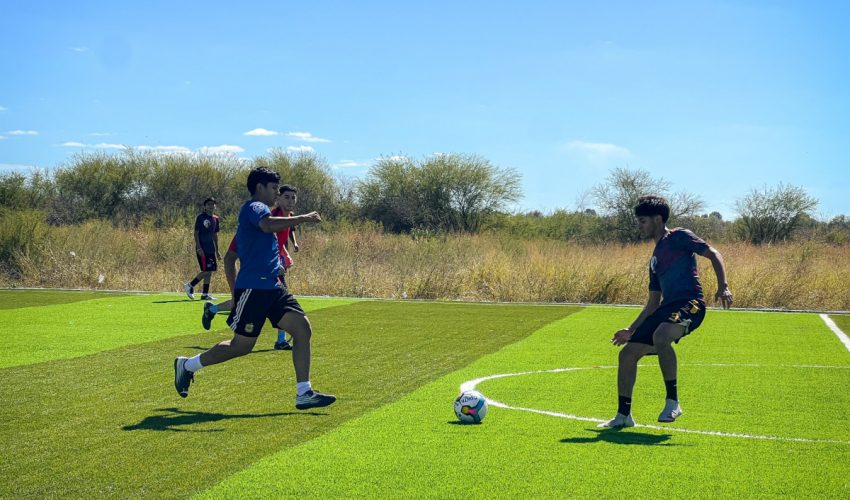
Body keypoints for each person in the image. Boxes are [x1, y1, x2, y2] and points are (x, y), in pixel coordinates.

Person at [174, 167, 336, 410]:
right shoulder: (255, 208)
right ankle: (187, 365)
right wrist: (302, 218)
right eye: (274, 188)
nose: (276, 193)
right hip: (255, 288)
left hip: (274, 288)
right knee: (241, 346)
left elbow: (232, 256)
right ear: (260, 187)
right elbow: (266, 227)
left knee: (302, 328)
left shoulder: (255, 221)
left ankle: (304, 392)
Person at [599, 195, 733, 428]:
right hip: (667, 309)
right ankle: (623, 416)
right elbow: (653, 303)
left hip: (691, 303)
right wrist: (631, 330)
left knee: (661, 335)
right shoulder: (654, 259)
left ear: (658, 220)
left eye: (642, 221)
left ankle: (673, 402)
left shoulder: (679, 236)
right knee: (628, 354)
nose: (639, 226)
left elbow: (713, 253)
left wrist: (723, 286)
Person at [201, 185, 301, 353]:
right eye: (286, 197)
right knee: (247, 304)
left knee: (277, 304)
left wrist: (284, 255)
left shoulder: (288, 218)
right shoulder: (268, 219)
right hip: (257, 272)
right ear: (278, 198)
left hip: (272, 272)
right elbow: (236, 250)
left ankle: (280, 340)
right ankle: (212, 311)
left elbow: (280, 241)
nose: (290, 201)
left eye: (293, 198)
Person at [183, 197, 221, 301]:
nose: (211, 206)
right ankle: (190, 285)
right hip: (203, 248)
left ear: (215, 206)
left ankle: (205, 294)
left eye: (212, 204)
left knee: (210, 270)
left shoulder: (216, 219)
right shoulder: (201, 217)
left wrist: (217, 250)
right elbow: (196, 233)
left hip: (211, 249)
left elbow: (215, 235)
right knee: (206, 270)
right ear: (205, 206)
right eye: (208, 204)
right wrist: (199, 247)